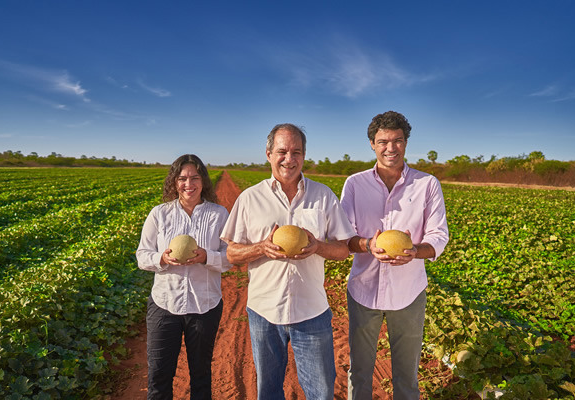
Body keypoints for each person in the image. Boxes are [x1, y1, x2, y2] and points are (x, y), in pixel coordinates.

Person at [220, 123, 356, 400]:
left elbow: (343, 250)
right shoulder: (250, 198)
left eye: (296, 152)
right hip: (265, 312)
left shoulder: (323, 196)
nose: (289, 159)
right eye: (282, 151)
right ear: (269, 154)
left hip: (312, 311)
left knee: (321, 393)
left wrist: (318, 246)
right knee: (269, 391)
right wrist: (261, 247)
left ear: (304, 155)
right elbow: (232, 254)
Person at [340, 111, 449, 400]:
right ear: (372, 144)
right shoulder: (354, 184)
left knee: (407, 374)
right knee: (359, 370)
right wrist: (367, 245)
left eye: (397, 141)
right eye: (383, 142)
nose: (391, 148)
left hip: (408, 292)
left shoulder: (427, 184)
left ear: (406, 142)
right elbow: (343, 237)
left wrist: (415, 253)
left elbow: (438, 235)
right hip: (363, 289)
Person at [136, 154, 231, 400]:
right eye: (182, 178)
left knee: (201, 375)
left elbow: (230, 257)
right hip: (164, 304)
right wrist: (162, 258)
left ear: (203, 181)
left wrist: (207, 257)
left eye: (194, 178)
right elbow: (142, 255)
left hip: (205, 306)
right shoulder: (159, 214)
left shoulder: (219, 214)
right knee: (159, 376)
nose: (189, 184)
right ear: (174, 182)